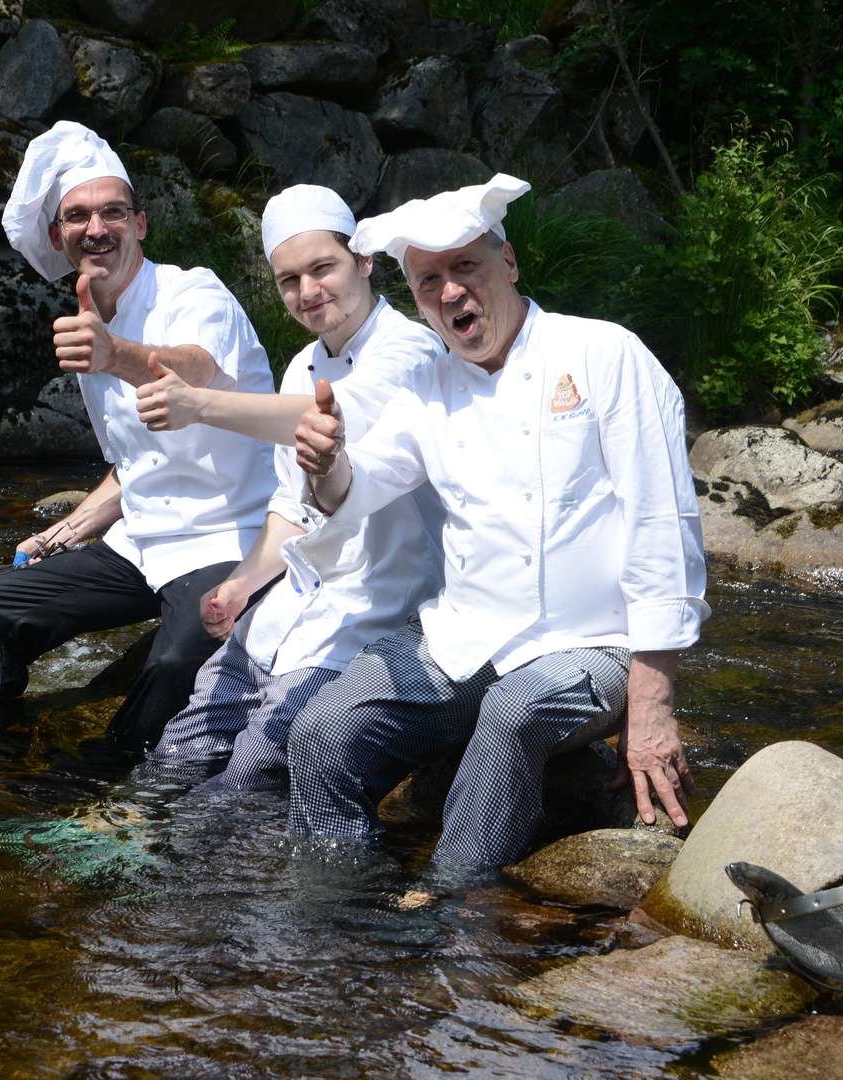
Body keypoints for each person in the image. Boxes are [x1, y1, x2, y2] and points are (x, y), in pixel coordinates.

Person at [289, 174, 711, 870]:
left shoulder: (603, 354)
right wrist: (325, 462)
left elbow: (661, 523)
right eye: (429, 281)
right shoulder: (427, 385)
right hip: (464, 637)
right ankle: (339, 900)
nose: (450, 292)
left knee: (514, 712)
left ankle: (454, 903)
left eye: (465, 268)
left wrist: (653, 699)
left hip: (593, 644)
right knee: (322, 728)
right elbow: (356, 490)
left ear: (507, 263)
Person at [0, 121, 276, 756]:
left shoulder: (194, 290)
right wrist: (66, 531)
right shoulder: (89, 319)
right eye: (78, 217)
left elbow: (197, 367)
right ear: (58, 236)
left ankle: (110, 783)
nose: (97, 229)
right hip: (141, 539)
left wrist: (113, 352)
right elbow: (132, 465)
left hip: (230, 532)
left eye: (113, 212)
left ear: (141, 224)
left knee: (176, 662)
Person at [127, 184, 446, 792]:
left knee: (252, 771)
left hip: (379, 610)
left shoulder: (410, 349)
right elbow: (290, 502)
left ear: (364, 262)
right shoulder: (301, 362)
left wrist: (200, 404)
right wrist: (243, 584)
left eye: (323, 268)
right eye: (289, 280)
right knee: (178, 750)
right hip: (292, 608)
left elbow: (328, 418)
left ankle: (201, 880)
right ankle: (134, 853)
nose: (308, 291)